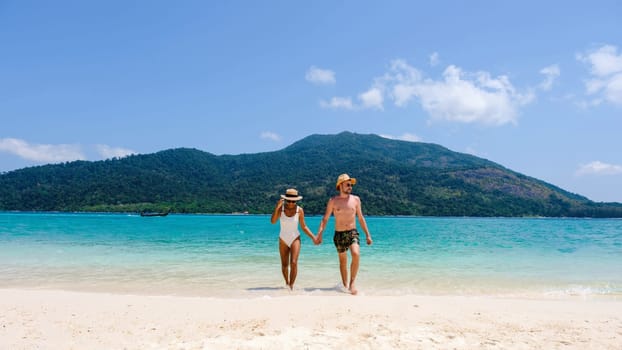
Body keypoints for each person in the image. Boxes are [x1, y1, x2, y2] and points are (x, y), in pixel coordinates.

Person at [316, 174, 372, 295]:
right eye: (347, 184)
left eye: (351, 185)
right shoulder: (333, 201)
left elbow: (361, 218)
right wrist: (320, 234)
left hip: (352, 232)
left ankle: (352, 283)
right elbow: (325, 219)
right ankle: (345, 285)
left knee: (356, 254)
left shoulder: (356, 200)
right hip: (339, 234)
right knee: (343, 262)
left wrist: (368, 234)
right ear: (340, 185)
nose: (350, 186)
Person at [270, 188, 316, 291]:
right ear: (285, 200)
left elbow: (304, 227)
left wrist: (314, 237)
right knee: (285, 265)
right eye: (289, 201)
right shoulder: (281, 209)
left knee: (294, 262)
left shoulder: (299, 210)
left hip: (295, 238)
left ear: (296, 201)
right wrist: (277, 207)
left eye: (293, 201)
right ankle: (286, 283)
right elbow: (273, 221)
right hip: (283, 238)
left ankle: (291, 286)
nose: (291, 203)